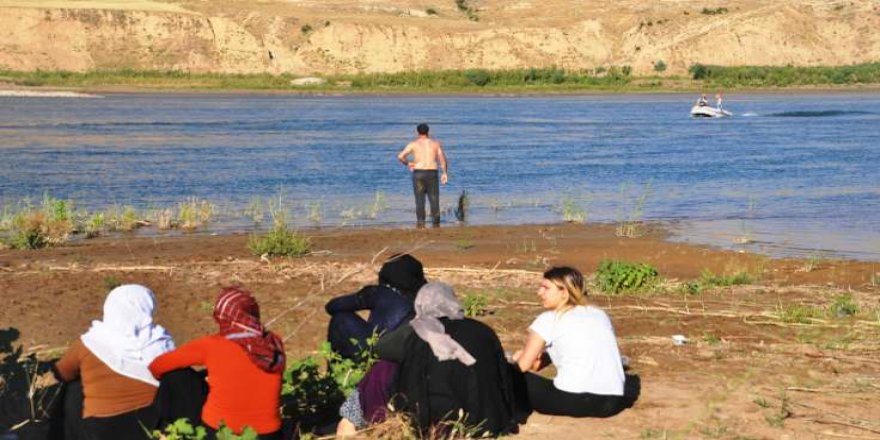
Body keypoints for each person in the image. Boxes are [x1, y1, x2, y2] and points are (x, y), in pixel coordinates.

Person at [339, 282, 518, 437]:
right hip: (485, 422)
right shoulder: (482, 331)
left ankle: (356, 420)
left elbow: (381, 349)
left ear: (420, 305)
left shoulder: (415, 331)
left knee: (383, 369)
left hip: (426, 421)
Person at [149, 287, 286, 439]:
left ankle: (166, 432)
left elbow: (158, 365)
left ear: (221, 317)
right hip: (269, 434)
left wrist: (197, 379)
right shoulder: (274, 342)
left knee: (175, 375)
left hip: (219, 431)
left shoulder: (212, 345)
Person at [52, 284, 175, 439]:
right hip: (151, 426)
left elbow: (62, 373)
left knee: (74, 387)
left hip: (100, 430)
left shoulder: (91, 342)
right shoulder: (161, 341)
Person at [511, 267, 627, 418]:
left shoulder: (549, 319)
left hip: (572, 400)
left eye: (545, 288)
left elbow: (522, 366)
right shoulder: (599, 314)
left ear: (564, 293)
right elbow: (580, 350)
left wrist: (514, 360)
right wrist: (544, 358)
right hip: (612, 403)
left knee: (507, 374)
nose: (539, 292)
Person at [325, 253, 427, 359]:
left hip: (379, 354)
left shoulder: (379, 293)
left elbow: (333, 306)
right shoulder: (424, 297)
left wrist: (366, 296)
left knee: (341, 318)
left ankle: (336, 370)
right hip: (407, 359)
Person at [397, 123, 448, 228]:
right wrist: (444, 173)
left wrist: (408, 163)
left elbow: (400, 156)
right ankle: (436, 223)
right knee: (434, 199)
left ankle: (421, 223)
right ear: (428, 132)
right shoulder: (435, 144)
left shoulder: (413, 144)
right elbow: (442, 158)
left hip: (419, 173)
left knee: (419, 200)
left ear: (417, 132)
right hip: (432, 172)